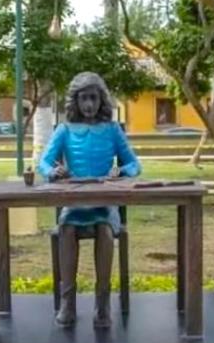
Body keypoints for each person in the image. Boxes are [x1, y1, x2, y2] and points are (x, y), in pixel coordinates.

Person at [37, 72, 141, 328]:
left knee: (104, 231)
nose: (89, 104)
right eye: (84, 98)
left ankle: (102, 303)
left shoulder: (112, 130)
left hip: (104, 204)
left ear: (102, 100)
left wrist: (121, 170)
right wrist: (53, 171)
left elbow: (134, 164)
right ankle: (68, 302)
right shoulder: (64, 130)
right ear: (75, 101)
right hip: (74, 204)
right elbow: (44, 162)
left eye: (94, 98)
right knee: (67, 229)